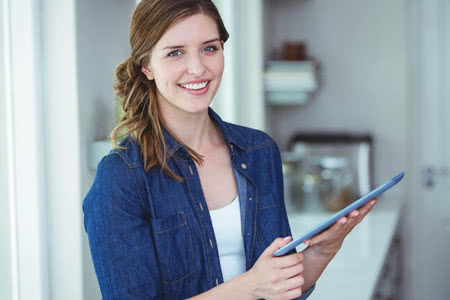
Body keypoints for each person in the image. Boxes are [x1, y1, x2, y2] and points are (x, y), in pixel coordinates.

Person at [82, 0, 377, 299]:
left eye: (209, 48)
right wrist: (250, 286)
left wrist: (322, 251)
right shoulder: (121, 177)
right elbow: (258, 285)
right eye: (175, 52)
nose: (197, 68)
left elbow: (278, 287)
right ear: (147, 66)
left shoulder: (259, 151)